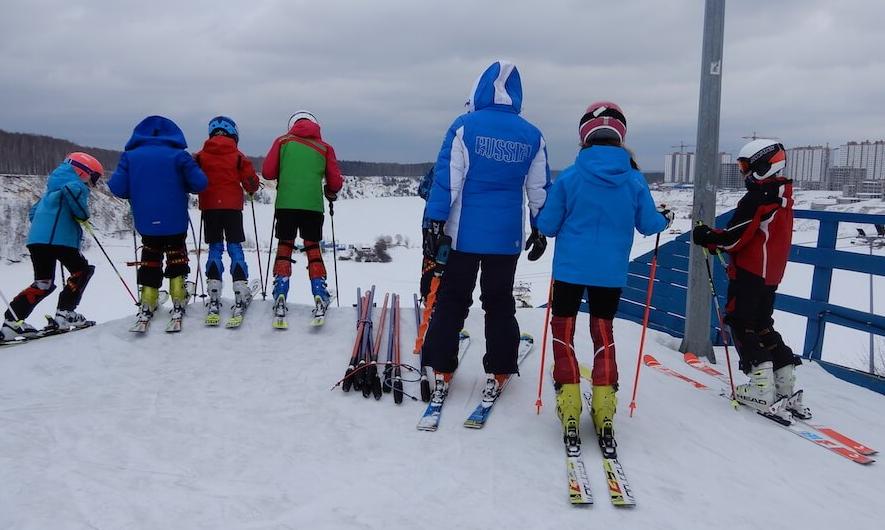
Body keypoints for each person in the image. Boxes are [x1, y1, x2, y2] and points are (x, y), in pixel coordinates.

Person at [536, 101, 671, 456]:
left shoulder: (570, 177)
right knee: (603, 333)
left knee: (563, 331)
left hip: (569, 270)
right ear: (620, 135)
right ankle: (605, 408)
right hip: (610, 273)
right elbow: (650, 224)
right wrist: (666, 218)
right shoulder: (634, 179)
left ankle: (569, 405)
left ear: (584, 136)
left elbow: (547, 225)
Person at [421, 60, 550, 405]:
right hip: (506, 238)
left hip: (462, 235)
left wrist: (435, 222)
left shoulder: (464, 127)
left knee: (452, 299)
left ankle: (441, 366)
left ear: (479, 89)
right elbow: (538, 189)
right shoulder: (532, 135)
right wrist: (540, 227)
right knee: (499, 301)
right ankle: (501, 368)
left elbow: (448, 180)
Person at [692, 139, 810, 419]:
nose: (744, 172)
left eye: (746, 166)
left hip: (750, 272)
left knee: (740, 322)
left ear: (763, 165)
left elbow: (736, 237)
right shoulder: (781, 194)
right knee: (762, 324)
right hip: (770, 274)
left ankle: (761, 387)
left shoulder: (758, 198)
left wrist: (708, 236)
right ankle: (783, 382)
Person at [108, 115, 208, 328]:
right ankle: (179, 295)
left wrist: (137, 189)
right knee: (176, 254)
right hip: (175, 218)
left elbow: (117, 187)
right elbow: (200, 183)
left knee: (150, 255)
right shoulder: (179, 156)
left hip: (146, 219)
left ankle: (148, 299)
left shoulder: (130, 157)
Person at [1, 153, 103, 340]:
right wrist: (82, 217)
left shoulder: (51, 189)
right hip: (60, 240)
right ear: (83, 172)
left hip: (37, 241)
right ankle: (65, 313)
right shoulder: (75, 185)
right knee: (82, 271)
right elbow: (80, 209)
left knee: (43, 283)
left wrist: (47, 226)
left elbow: (33, 213)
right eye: (94, 177)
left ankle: (12, 322)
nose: (93, 183)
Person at [261, 110, 343, 324]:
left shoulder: (282, 142)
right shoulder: (325, 148)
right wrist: (329, 191)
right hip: (312, 207)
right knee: (312, 248)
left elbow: (268, 172)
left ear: (293, 125)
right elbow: (335, 182)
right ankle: (320, 294)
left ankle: (280, 293)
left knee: (285, 246)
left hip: (286, 205)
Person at [194, 116, 260, 324]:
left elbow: (193, 180)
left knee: (215, 248)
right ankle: (240, 289)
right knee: (234, 247)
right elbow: (251, 183)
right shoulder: (238, 156)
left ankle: (213, 292)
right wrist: (251, 187)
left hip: (210, 207)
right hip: (232, 208)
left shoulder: (200, 156)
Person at [417, 166, 436, 301]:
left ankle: (428, 296)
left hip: (431, 223)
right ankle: (429, 297)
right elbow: (422, 190)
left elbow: (422, 190)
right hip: (433, 224)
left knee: (431, 260)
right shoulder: (438, 168)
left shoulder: (438, 167)